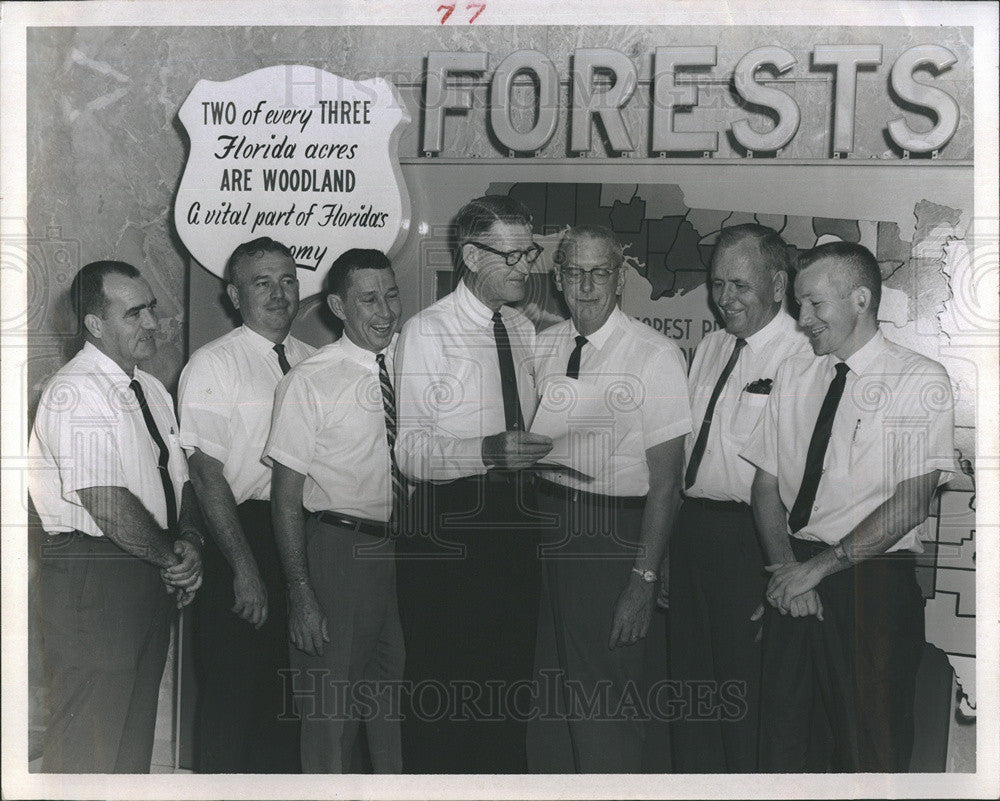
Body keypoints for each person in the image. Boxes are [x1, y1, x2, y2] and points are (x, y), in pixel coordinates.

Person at [741, 242, 956, 772]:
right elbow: (765, 487)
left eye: (815, 304)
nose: (802, 320)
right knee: (784, 750)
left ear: (860, 299)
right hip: (791, 575)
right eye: (798, 305)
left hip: (870, 584)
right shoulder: (794, 374)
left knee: (870, 752)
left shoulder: (918, 380)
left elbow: (909, 506)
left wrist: (817, 570)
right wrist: (789, 572)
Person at [393, 194, 553, 773]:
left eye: (528, 253)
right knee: (444, 697)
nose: (525, 268)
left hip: (517, 525)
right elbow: (411, 453)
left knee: (509, 691)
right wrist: (485, 451)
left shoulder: (521, 329)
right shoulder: (427, 332)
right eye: (510, 256)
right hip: (447, 530)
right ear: (469, 255)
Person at [28, 260, 204, 772]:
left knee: (131, 736)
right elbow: (105, 501)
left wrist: (189, 538)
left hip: (147, 565)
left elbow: (180, 480)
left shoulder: (150, 389)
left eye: (150, 307)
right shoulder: (74, 390)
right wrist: (171, 557)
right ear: (95, 324)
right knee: (90, 739)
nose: (152, 322)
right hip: (96, 573)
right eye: (134, 314)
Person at [527, 225, 689, 772]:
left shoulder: (655, 354)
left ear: (621, 278)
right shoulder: (544, 346)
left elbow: (667, 481)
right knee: (547, 695)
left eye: (600, 272)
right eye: (575, 272)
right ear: (558, 278)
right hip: (547, 528)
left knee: (605, 700)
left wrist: (643, 580)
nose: (587, 284)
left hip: (612, 538)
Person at [668, 224, 810, 772]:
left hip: (755, 539)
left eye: (740, 286)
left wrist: (779, 568)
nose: (725, 299)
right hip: (695, 531)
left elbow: (801, 478)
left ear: (778, 284)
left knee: (744, 702)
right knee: (692, 697)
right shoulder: (711, 345)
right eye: (717, 284)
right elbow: (686, 457)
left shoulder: (803, 355)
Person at [265, 248, 406, 773]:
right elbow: (284, 496)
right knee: (330, 718)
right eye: (368, 299)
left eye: (392, 295)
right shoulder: (310, 379)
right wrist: (301, 592)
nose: (386, 310)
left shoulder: (408, 366)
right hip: (337, 552)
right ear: (338, 307)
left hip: (400, 552)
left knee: (390, 710)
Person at [178, 237, 313, 772]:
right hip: (241, 534)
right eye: (262, 282)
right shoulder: (213, 365)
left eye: (287, 280)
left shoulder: (312, 361)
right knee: (234, 701)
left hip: (300, 536)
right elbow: (206, 477)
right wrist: (243, 568)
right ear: (235, 295)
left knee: (286, 706)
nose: (279, 294)